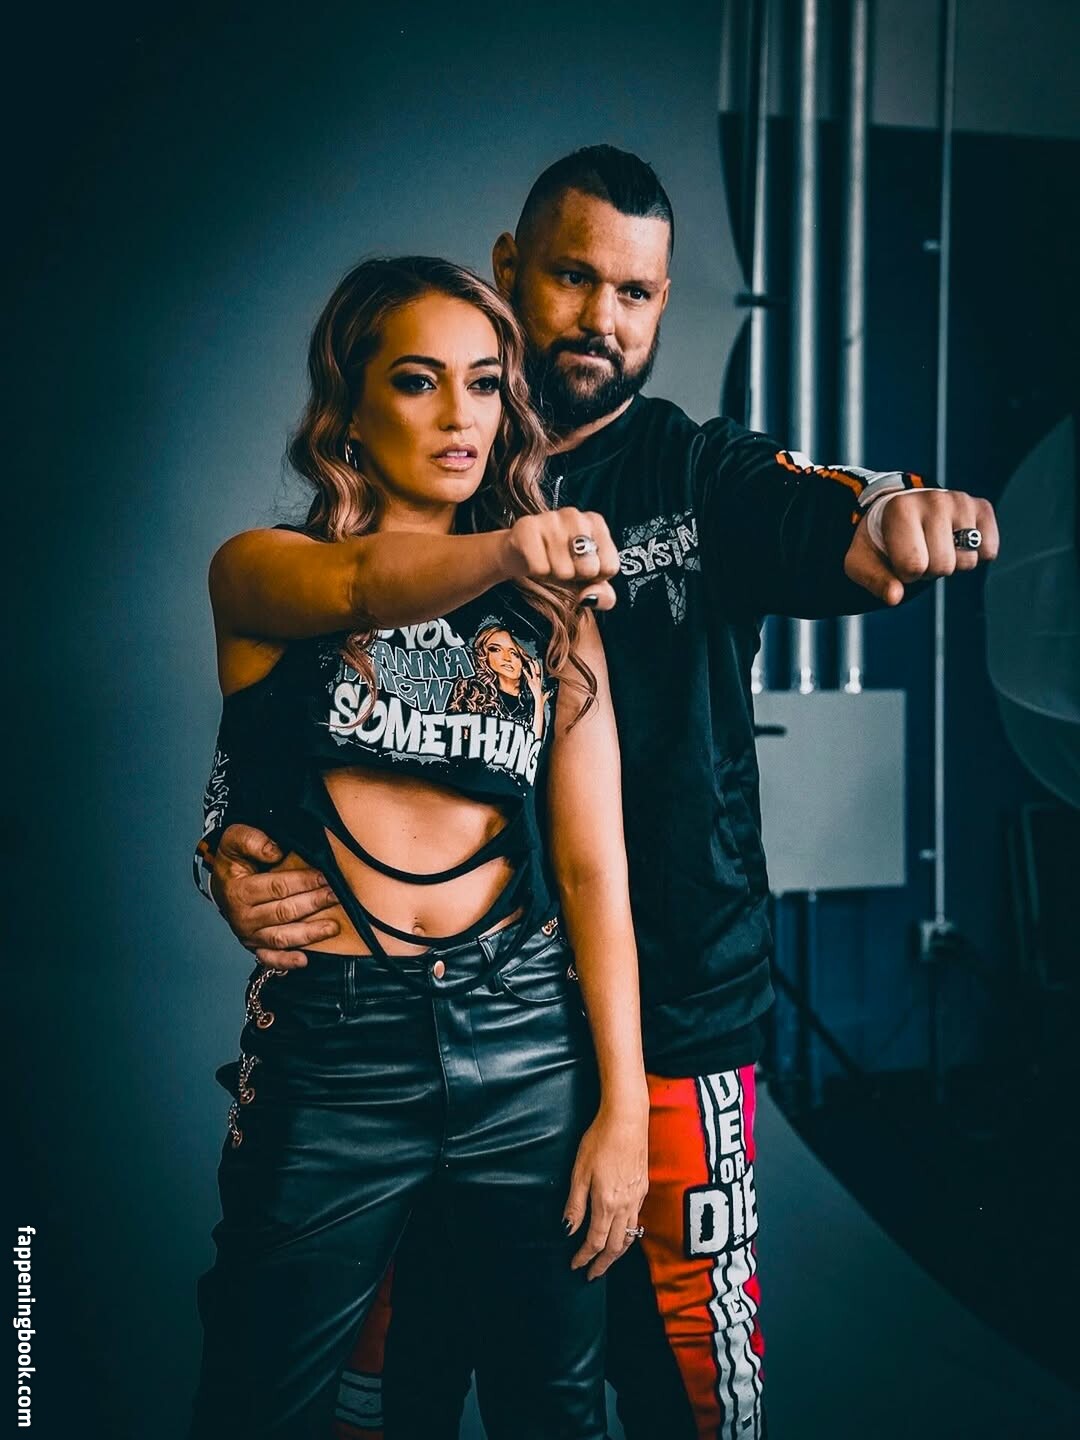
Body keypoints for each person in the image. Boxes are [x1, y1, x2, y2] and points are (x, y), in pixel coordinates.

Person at [201, 148, 999, 1440]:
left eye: (636, 293)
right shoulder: (414, 500)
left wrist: (893, 513)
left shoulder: (690, 474)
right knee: (386, 1391)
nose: (602, 319)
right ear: (510, 270)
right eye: (575, 278)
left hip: (664, 1016)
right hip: (426, 1025)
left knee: (678, 1393)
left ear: (665, 303)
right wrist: (228, 848)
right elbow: (290, 712)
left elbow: (821, 510)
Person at [189, 254, 651, 1439]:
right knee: (260, 1403)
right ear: (348, 407)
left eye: (486, 383)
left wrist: (624, 1109)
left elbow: (594, 866)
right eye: (417, 380)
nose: (460, 415)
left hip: (526, 1040)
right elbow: (359, 583)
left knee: (556, 1410)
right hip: (338, 1053)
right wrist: (513, 548)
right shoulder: (263, 572)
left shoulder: (552, 615)